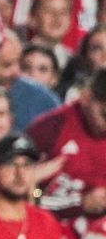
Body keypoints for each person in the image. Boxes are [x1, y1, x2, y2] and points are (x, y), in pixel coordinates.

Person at [26, 67, 106, 230]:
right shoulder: (49, 130)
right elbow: (31, 195)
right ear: (86, 97)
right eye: (105, 114)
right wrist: (78, 203)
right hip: (49, 233)